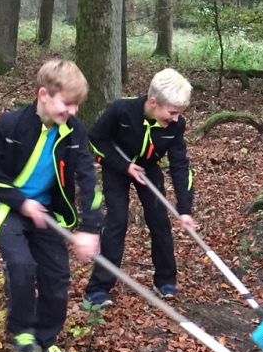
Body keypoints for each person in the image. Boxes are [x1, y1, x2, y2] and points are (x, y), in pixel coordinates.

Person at [0, 59, 102, 352]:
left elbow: (89, 180)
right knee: (21, 265)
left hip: (46, 212)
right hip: (5, 206)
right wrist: (21, 202)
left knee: (57, 274)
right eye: (67, 104)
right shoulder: (11, 125)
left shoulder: (74, 131)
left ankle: (47, 338)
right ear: (43, 95)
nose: (72, 112)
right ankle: (21, 332)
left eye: (76, 106)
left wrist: (90, 229)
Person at [82, 68, 196, 309]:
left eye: (179, 114)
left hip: (148, 167)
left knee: (159, 220)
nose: (176, 119)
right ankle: (98, 289)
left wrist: (185, 209)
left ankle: (165, 280)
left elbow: (180, 164)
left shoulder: (176, 125)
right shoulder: (120, 110)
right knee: (117, 221)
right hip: (117, 166)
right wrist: (124, 166)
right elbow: (95, 139)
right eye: (172, 113)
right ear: (153, 103)